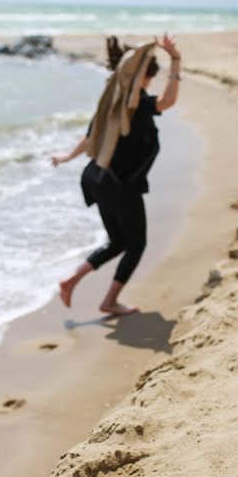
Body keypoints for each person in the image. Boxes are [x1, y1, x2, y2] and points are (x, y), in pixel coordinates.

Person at [51, 34, 181, 316]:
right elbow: (168, 101)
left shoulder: (111, 103)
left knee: (119, 241)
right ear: (145, 78)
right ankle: (109, 301)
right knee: (137, 244)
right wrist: (176, 60)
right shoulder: (138, 107)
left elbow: (90, 136)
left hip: (96, 179)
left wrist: (68, 157)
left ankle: (70, 280)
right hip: (120, 185)